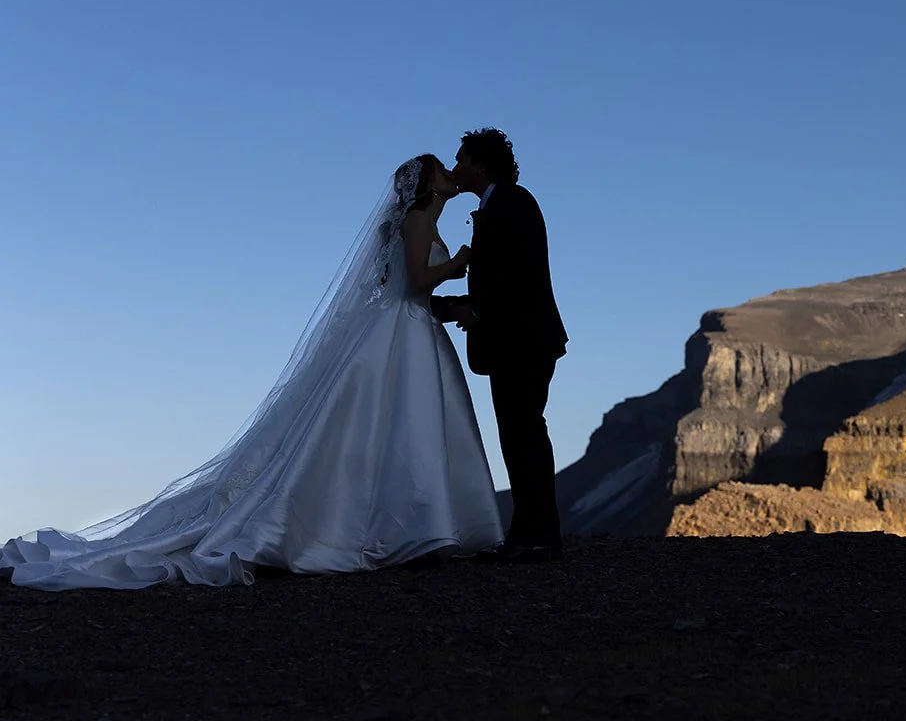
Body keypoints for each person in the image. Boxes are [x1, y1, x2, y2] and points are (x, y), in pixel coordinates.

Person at [0, 156, 505, 589]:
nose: (450, 172)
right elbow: (415, 280)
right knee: (396, 427)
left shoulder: (419, 221)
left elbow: (404, 289)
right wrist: (459, 261)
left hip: (409, 327)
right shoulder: (417, 219)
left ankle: (414, 527)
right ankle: (403, 529)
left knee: (400, 431)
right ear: (426, 184)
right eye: (442, 169)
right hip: (402, 329)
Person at [445, 128, 568, 562]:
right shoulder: (501, 203)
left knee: (524, 434)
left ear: (481, 164)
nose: (455, 168)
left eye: (461, 160)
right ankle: (528, 534)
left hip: (524, 341)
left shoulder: (513, 202)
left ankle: (538, 536)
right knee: (519, 436)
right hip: (516, 342)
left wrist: (476, 312)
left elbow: (517, 274)